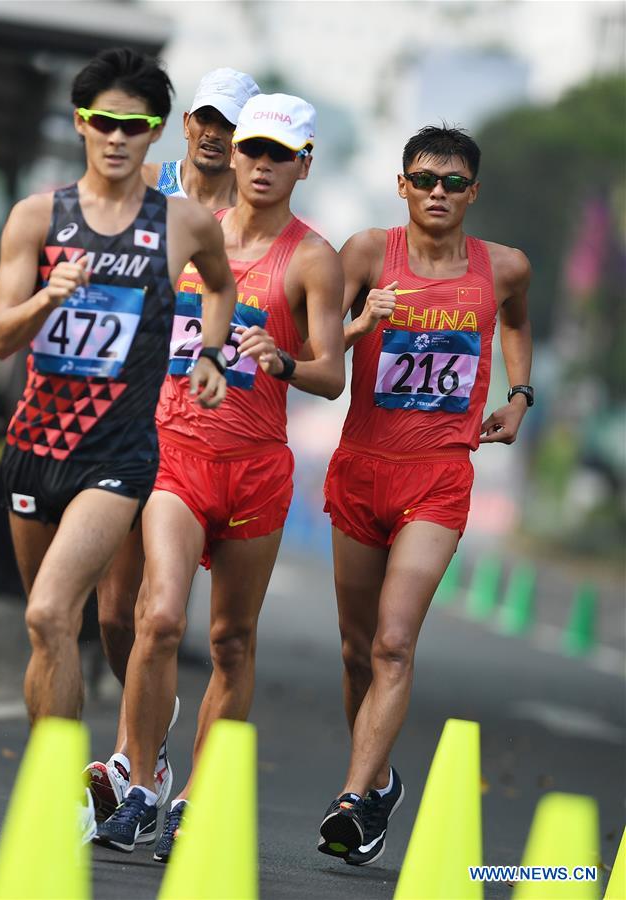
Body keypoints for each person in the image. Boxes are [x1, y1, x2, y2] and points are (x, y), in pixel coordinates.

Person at [94, 92, 346, 855]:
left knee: (232, 640)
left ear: (304, 164)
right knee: (158, 615)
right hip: (175, 453)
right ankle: (141, 781)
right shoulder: (182, 233)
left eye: (280, 154)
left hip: (257, 468)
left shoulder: (312, 258)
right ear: (231, 152)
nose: (263, 165)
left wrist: (286, 361)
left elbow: (332, 375)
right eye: (253, 149)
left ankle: (198, 802)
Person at [0, 45, 236, 766]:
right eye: (105, 124)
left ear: (158, 131)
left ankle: (54, 787)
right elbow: (1, 338)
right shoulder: (38, 217)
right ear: (81, 124)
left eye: (136, 127)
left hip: (117, 453)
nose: (119, 139)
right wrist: (46, 297)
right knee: (52, 629)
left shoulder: (183, 224)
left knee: (46, 611)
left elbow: (219, 286)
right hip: (34, 444)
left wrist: (211, 355)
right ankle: (60, 778)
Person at [317, 124, 533, 866]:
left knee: (393, 642)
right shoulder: (367, 254)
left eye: (453, 181)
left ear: (473, 192)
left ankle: (349, 799)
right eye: (425, 179)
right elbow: (319, 350)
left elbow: (518, 324)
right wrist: (360, 323)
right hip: (361, 467)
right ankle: (377, 785)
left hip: (439, 476)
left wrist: (521, 394)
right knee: (354, 652)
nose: (438, 192)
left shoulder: (503, 267)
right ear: (401, 185)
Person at [87, 65, 260, 824]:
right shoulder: (144, 186)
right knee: (115, 612)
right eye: (210, 119)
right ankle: (150, 748)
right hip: (125, 417)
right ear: (188, 122)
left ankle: (136, 765)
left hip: (205, 437)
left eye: (237, 126)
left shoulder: (264, 207)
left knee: (165, 616)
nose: (221, 135)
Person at [142, 67, 260, 209]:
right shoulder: (144, 181)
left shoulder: (251, 214)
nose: (213, 134)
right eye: (204, 118)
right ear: (186, 124)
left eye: (228, 123)